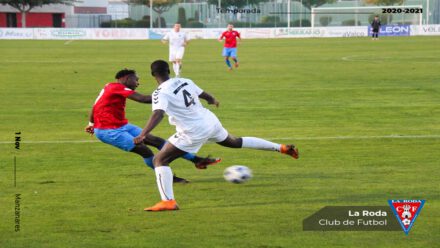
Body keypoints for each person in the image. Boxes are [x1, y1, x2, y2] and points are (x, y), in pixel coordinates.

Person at [134, 60, 299, 211]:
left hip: (193, 130)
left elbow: (158, 114)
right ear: (168, 70)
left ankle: (168, 201)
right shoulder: (185, 80)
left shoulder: (159, 92)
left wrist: (143, 134)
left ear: (153, 75)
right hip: (209, 120)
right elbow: (203, 94)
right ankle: (282, 148)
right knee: (235, 141)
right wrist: (212, 99)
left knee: (160, 160)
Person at [85, 69, 220, 184]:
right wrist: (170, 95)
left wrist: (91, 123)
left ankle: (197, 160)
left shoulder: (110, 87)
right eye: (136, 79)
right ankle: (168, 179)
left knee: (158, 141)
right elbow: (143, 99)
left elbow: (95, 105)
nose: (138, 83)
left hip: (122, 125)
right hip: (108, 131)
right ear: (126, 78)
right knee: (144, 150)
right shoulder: (116, 87)